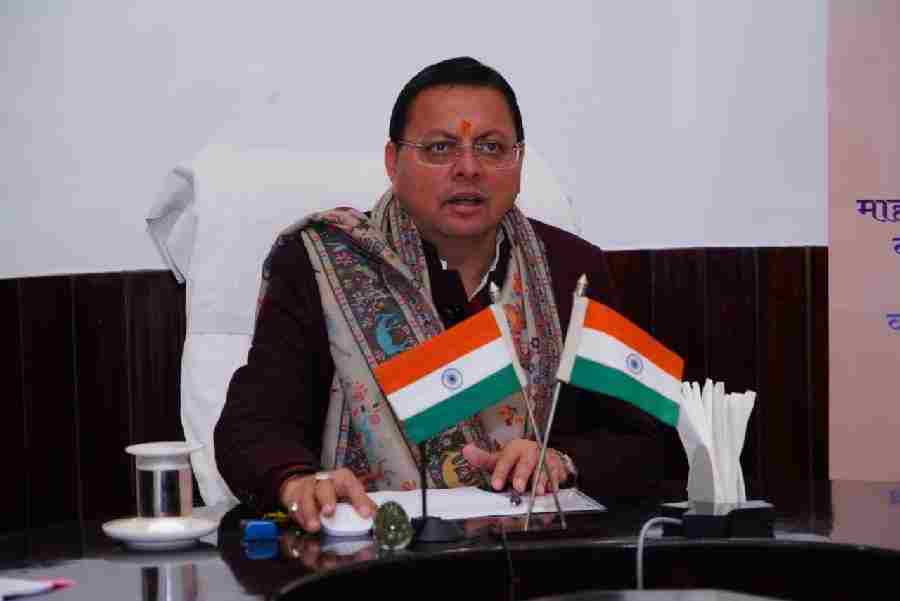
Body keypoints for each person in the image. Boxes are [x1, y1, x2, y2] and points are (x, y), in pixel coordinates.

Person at [214, 57, 663, 533]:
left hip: (532, 550)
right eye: (440, 148)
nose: (468, 168)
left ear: (519, 161)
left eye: (491, 147)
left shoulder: (571, 270)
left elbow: (648, 443)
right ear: (393, 162)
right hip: (369, 553)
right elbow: (252, 428)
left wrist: (562, 460)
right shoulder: (323, 265)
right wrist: (296, 482)